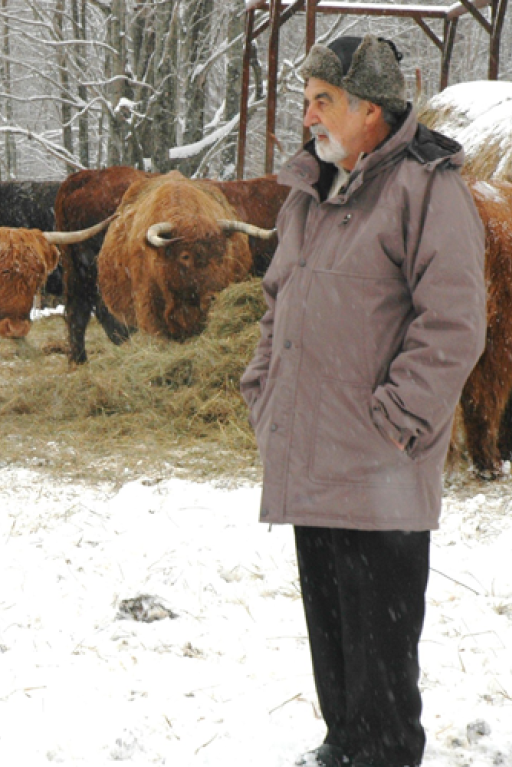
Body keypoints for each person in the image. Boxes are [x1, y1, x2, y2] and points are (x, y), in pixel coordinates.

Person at [240, 35, 487, 767]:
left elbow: (453, 322)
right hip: (309, 451)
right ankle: (341, 743)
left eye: (322, 100)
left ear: (369, 110)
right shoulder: (311, 191)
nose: (307, 114)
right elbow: (276, 301)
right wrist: (261, 386)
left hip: (378, 465)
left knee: (380, 650)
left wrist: (397, 422)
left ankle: (377, 753)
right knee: (334, 638)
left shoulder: (426, 188)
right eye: (307, 97)